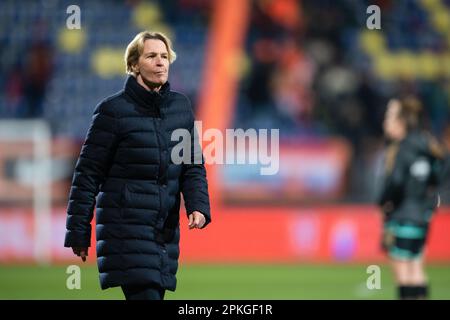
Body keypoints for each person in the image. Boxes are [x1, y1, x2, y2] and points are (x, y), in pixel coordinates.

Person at [64, 31, 211, 300]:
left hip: (163, 235)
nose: (160, 62)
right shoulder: (112, 111)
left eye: (165, 56)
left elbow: (192, 165)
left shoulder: (180, 108)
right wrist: (79, 230)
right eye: (152, 56)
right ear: (134, 65)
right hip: (125, 231)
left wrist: (198, 205)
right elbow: (87, 174)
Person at [378, 96, 447, 300]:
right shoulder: (427, 145)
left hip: (403, 213)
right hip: (421, 214)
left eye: (391, 116)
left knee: (403, 271)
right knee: (416, 267)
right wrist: (432, 198)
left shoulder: (404, 147)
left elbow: (396, 181)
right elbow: (440, 172)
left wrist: (382, 201)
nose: (386, 121)